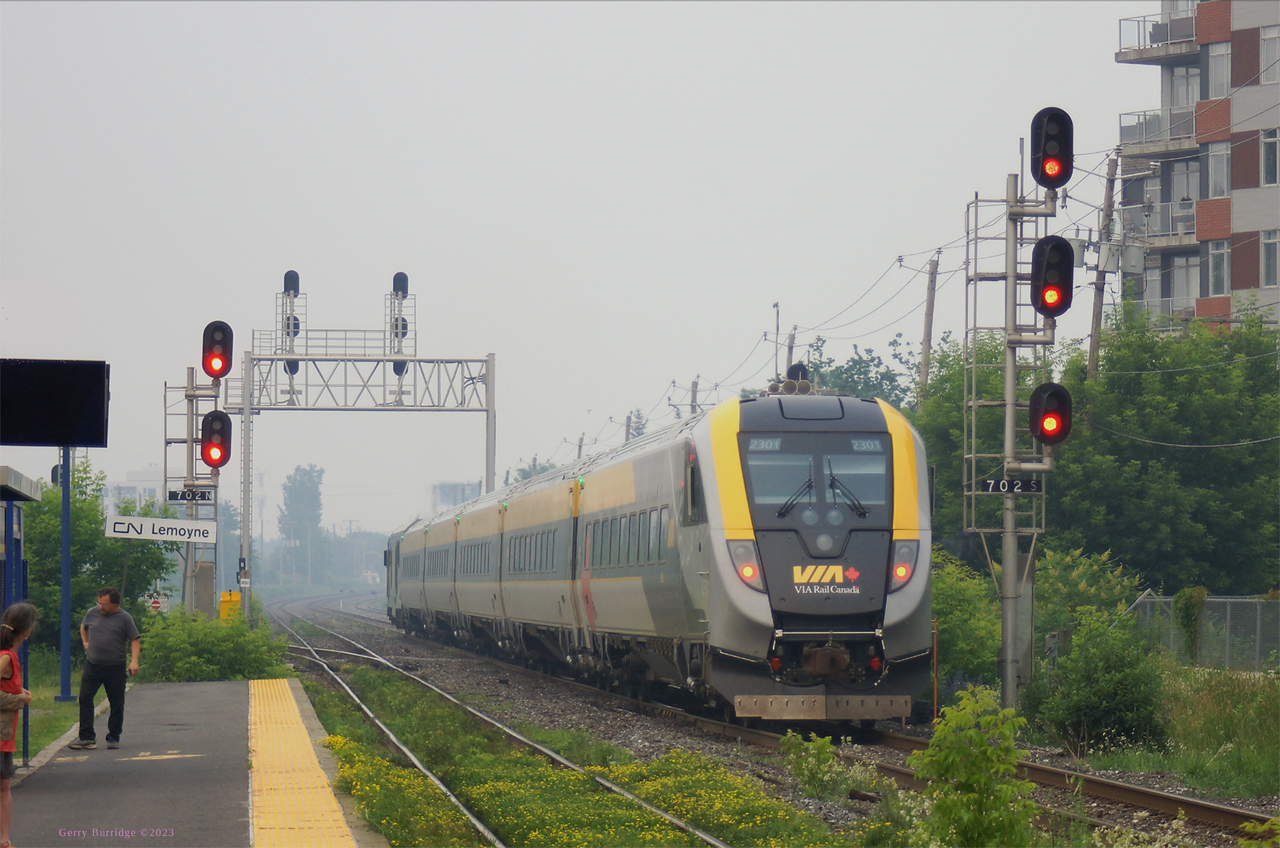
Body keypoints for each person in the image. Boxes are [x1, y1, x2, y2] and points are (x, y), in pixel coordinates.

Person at [68, 588, 140, 751]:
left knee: (116, 702)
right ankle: (86, 738)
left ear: (115, 604)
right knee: (85, 698)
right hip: (93, 665)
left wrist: (134, 661)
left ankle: (113, 736)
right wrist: (85, 642)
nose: (100, 607)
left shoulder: (125, 618)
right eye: (99, 603)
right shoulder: (92, 613)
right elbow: (83, 626)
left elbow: (135, 640)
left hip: (115, 667)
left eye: (104, 604)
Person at [0, 602, 37, 848]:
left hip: (5, 734)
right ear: (25, 631)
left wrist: (18, 692)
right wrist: (19, 700)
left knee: (4, 785)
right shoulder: (5, 658)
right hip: (1, 735)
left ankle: (4, 839)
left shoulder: (9, 656)